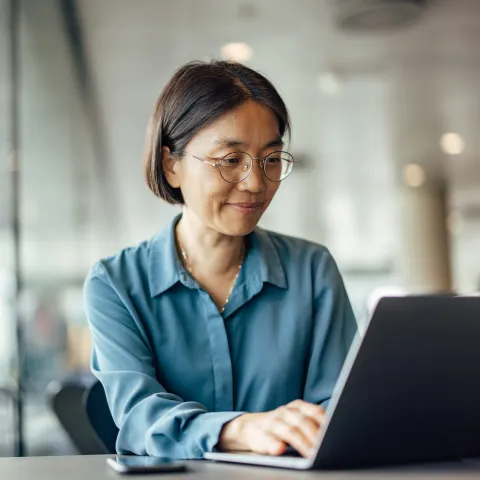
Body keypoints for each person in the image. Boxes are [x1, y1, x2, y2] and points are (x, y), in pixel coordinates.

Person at [84, 60, 357, 460]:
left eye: (271, 159)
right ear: (171, 165)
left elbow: (338, 410)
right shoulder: (116, 283)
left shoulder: (312, 270)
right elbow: (140, 417)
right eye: (231, 160)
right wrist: (240, 428)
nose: (256, 183)